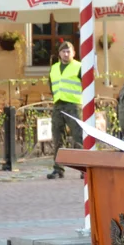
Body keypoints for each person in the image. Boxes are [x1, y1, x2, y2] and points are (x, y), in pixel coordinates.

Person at [46, 41, 82, 179]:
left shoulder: (79, 67)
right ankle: (58, 168)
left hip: (74, 105)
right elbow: (51, 84)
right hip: (58, 104)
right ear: (59, 53)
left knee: (78, 137)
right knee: (57, 136)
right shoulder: (54, 68)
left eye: (69, 51)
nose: (66, 54)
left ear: (74, 53)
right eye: (63, 51)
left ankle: (83, 168)